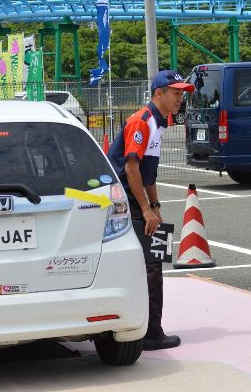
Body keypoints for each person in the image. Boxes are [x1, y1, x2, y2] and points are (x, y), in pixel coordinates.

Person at [108, 70, 194, 351]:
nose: (180, 98)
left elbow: (149, 174)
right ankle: (150, 332)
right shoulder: (143, 121)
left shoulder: (158, 123)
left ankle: (149, 328)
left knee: (156, 256)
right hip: (126, 200)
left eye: (182, 94)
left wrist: (155, 206)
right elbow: (131, 166)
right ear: (159, 94)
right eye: (176, 93)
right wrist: (146, 208)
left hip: (137, 199)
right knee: (151, 265)